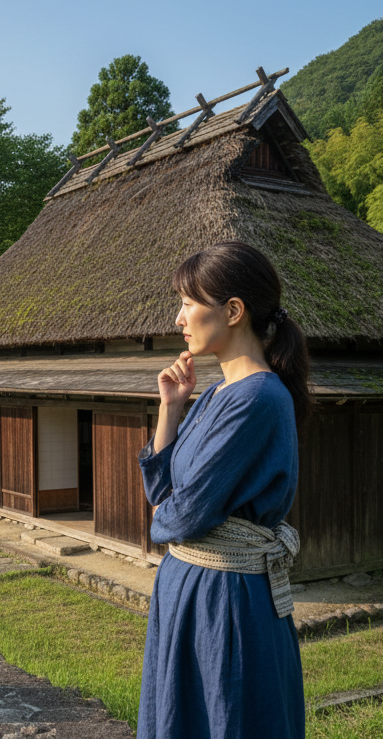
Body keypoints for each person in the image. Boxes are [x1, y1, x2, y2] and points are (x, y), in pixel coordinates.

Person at [136, 241, 310, 738]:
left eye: (189, 303)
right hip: (189, 585)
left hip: (225, 597)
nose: (178, 318)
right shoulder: (215, 394)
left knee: (227, 713)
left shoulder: (257, 398)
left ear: (233, 311)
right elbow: (162, 493)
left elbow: (181, 515)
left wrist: (164, 518)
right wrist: (171, 409)